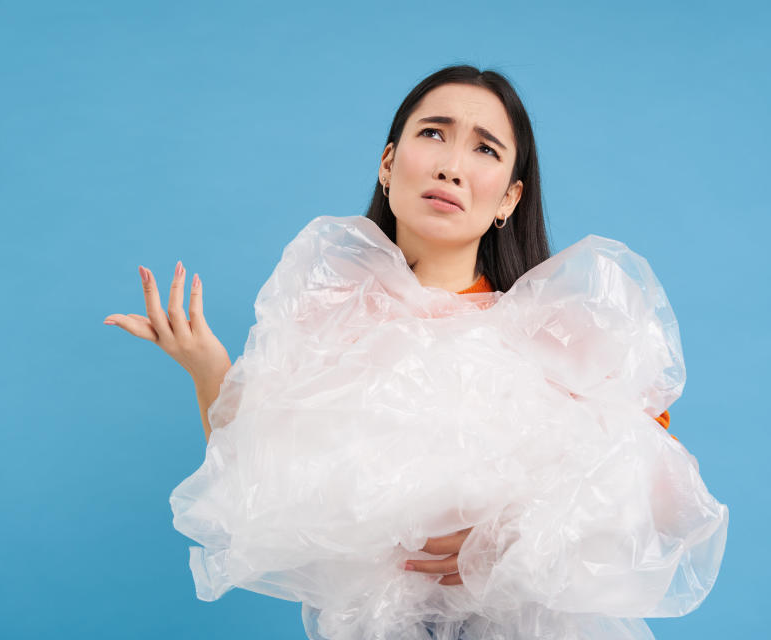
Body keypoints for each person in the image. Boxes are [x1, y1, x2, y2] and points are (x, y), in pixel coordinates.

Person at [104, 65, 724, 640]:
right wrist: (208, 367)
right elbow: (259, 490)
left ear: (509, 197)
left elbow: (664, 497)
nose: (453, 166)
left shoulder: (559, 332)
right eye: (434, 133)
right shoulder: (328, 319)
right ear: (389, 162)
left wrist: (518, 535)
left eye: (485, 148)